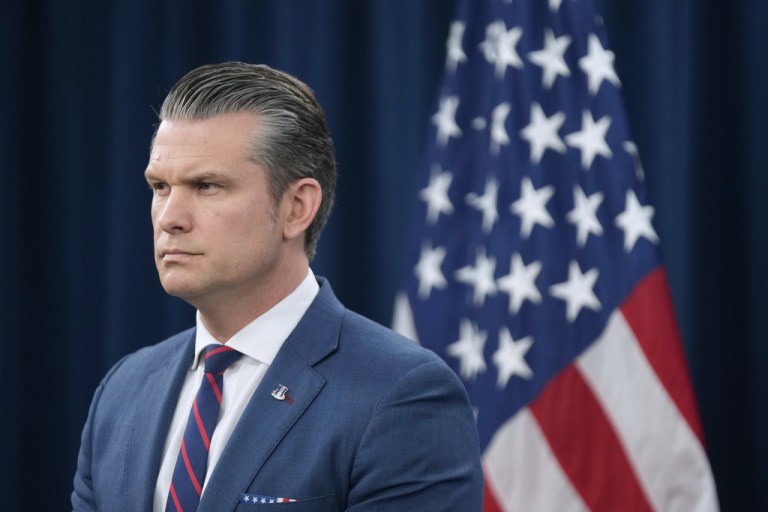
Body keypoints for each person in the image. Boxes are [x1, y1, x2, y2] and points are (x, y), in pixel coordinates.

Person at [71, 61, 483, 512]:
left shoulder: (402, 394)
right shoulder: (123, 390)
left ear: (297, 208)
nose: (169, 217)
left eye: (207, 186)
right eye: (160, 186)